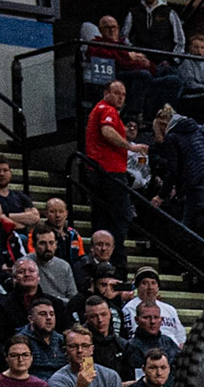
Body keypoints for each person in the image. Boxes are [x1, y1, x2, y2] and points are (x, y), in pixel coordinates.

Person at [84, 80, 144, 270]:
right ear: (106, 93)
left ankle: (103, 262)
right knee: (120, 217)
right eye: (116, 93)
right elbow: (107, 131)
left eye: (123, 94)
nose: (120, 98)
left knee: (104, 218)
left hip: (103, 171)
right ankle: (116, 261)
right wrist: (130, 146)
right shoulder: (107, 110)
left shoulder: (103, 110)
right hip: (109, 171)